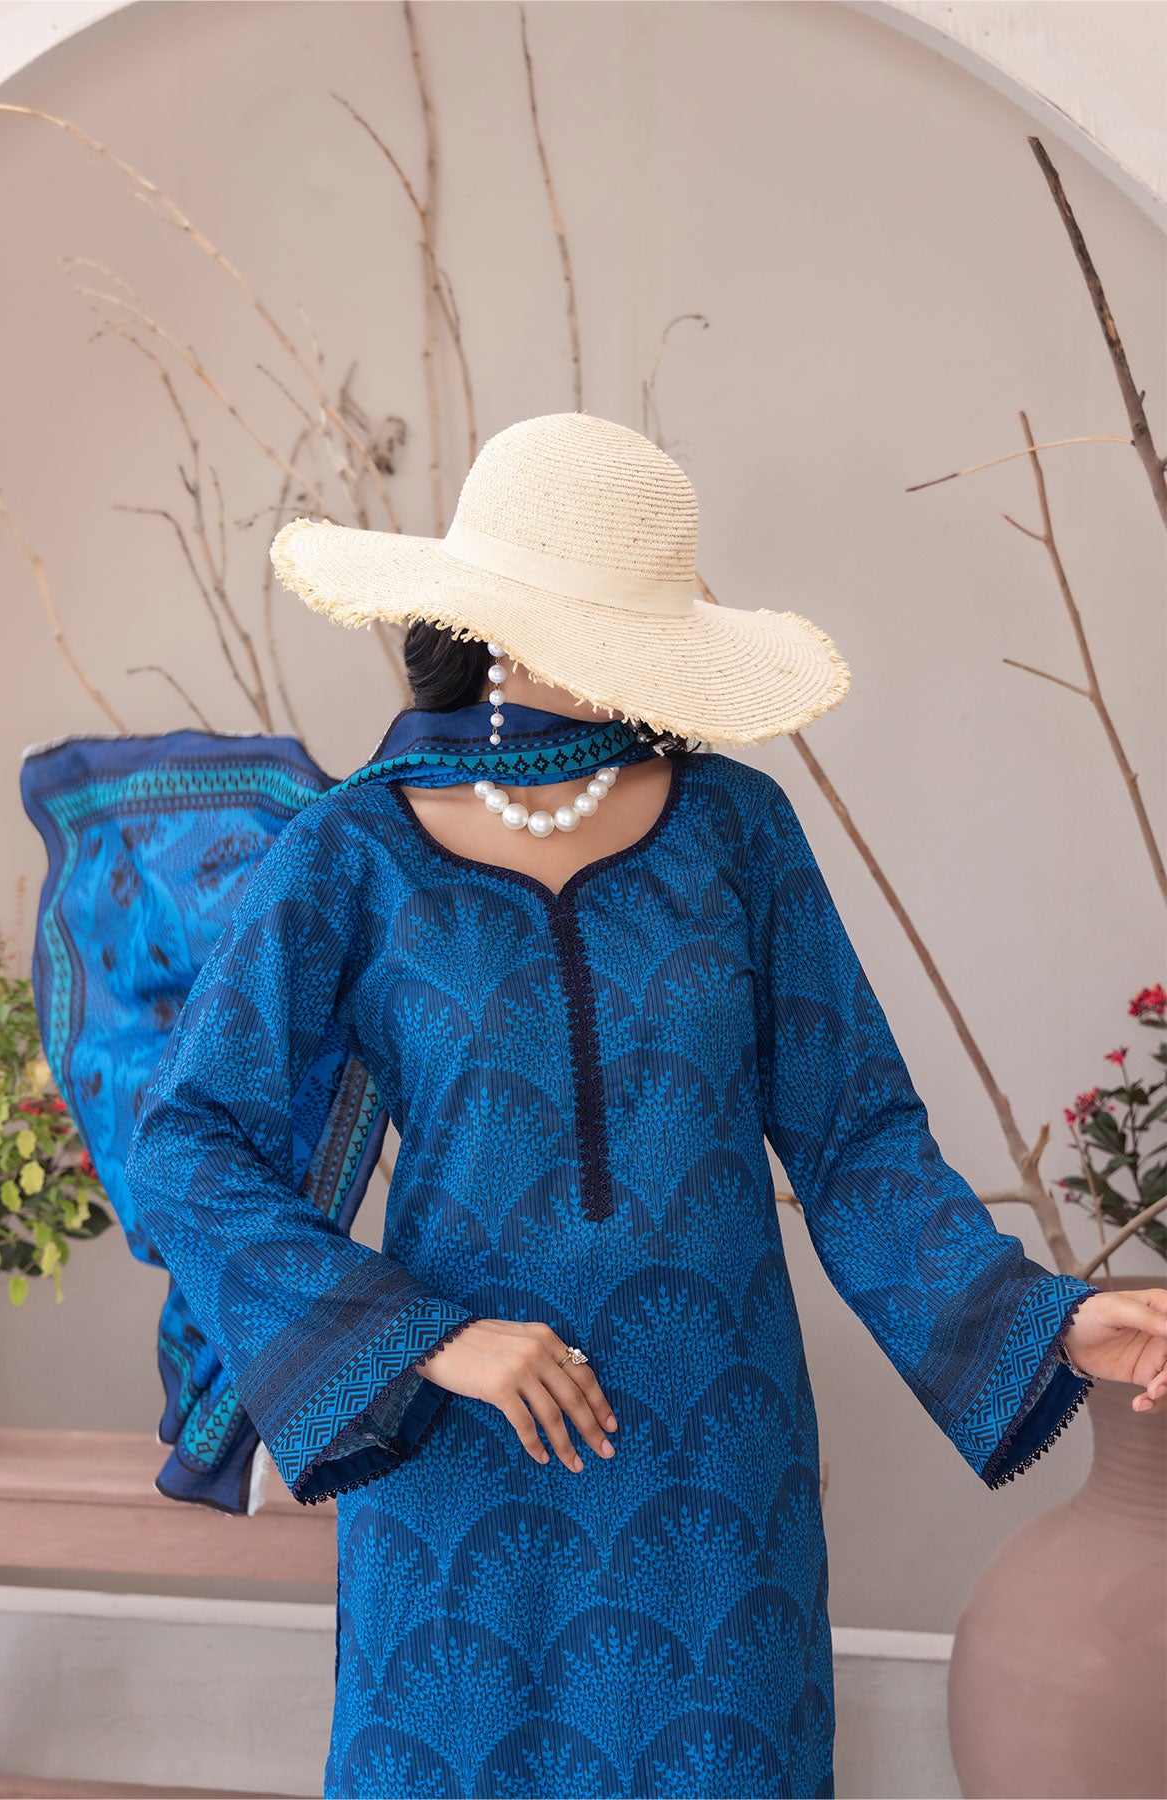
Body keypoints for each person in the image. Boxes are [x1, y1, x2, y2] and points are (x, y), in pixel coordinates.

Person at [122, 412, 1167, 1800]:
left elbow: (857, 1139)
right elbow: (186, 1145)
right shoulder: (352, 855)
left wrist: (1046, 1314)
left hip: (714, 1463)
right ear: (492, 620)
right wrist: (427, 1339)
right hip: (465, 1468)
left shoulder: (740, 832)